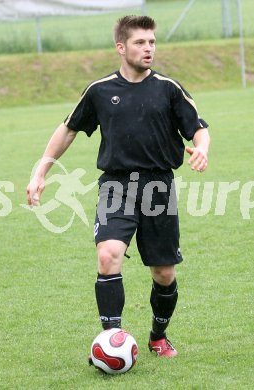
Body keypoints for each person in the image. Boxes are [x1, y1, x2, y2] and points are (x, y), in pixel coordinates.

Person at [27, 15, 210, 358]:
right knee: (108, 255)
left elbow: (198, 128)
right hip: (117, 186)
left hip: (158, 188)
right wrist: (41, 171)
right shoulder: (100, 90)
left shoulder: (168, 88)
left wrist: (202, 148)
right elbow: (68, 129)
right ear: (121, 47)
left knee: (164, 273)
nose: (149, 49)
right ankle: (113, 341)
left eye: (152, 42)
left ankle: (158, 335)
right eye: (140, 43)